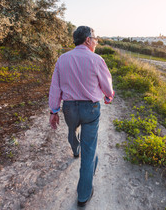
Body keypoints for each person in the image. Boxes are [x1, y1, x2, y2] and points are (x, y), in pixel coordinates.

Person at [48, 26, 114, 207]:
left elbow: (55, 87)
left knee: (71, 129)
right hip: (90, 110)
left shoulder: (62, 59)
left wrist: (53, 111)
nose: (96, 42)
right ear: (87, 40)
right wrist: (109, 96)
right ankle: (83, 195)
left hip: (69, 109)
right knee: (90, 151)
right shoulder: (97, 60)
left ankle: (75, 148)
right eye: (95, 39)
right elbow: (107, 87)